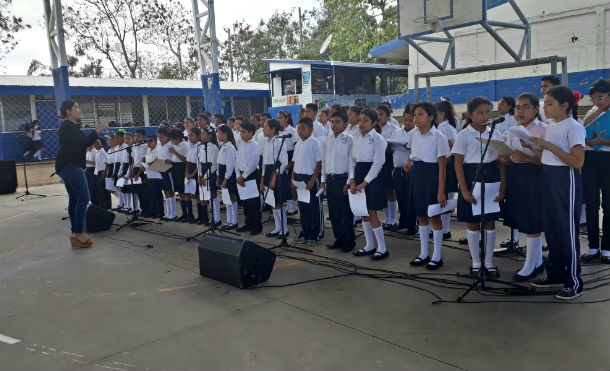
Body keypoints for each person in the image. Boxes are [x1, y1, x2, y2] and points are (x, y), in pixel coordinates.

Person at [529, 86, 586, 300]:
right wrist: (534, 146)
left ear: (565, 105)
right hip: (549, 176)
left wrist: (548, 146)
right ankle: (555, 274)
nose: (545, 107)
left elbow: (578, 161)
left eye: (549, 103)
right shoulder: (552, 126)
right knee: (552, 228)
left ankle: (574, 281)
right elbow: (549, 154)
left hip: (565, 179)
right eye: (545, 102)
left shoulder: (574, 127)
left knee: (566, 231)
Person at [452, 96, 506, 278]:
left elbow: (501, 164)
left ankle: (489, 262)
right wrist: (465, 190)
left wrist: (502, 188)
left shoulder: (496, 134)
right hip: (471, 177)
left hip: (491, 178)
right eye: (479, 113)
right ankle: (476, 262)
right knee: (473, 222)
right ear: (470, 114)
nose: (485, 116)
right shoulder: (463, 135)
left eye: (487, 112)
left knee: (489, 222)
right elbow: (458, 163)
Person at [498, 93, 547, 280]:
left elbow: (548, 160)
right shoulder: (513, 129)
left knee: (532, 219)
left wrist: (527, 157)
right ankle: (536, 262)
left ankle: (530, 265)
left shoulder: (543, 129)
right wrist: (505, 158)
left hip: (534, 177)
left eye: (526, 107)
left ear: (536, 109)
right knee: (521, 218)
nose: (521, 111)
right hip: (516, 176)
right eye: (518, 107)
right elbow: (511, 155)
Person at [55, 100, 108, 248]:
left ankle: (75, 234)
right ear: (68, 111)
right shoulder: (67, 126)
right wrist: (96, 131)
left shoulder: (71, 126)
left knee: (75, 198)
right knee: (84, 197)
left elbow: (80, 145)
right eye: (76, 107)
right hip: (70, 166)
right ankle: (78, 233)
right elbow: (82, 144)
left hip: (68, 166)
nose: (79, 110)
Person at [405, 102, 450, 270]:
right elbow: (412, 152)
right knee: (421, 216)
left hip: (432, 176)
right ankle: (424, 253)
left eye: (420, 114)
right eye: (415, 114)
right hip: (417, 175)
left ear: (431, 117)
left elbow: (442, 166)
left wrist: (440, 191)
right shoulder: (413, 134)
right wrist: (409, 162)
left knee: (434, 216)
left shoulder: (439, 137)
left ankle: (437, 256)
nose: (415, 118)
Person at [350, 108, 389, 261]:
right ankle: (369, 245)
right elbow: (352, 161)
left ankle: (382, 248)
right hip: (359, 175)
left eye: (365, 120)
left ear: (373, 123)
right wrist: (352, 180)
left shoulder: (379, 139)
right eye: (360, 120)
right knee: (363, 213)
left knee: (372, 213)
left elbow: (378, 163)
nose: (361, 123)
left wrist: (365, 182)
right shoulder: (356, 138)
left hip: (372, 179)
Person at [581, 79, 610, 264]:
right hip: (590, 159)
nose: (596, 102)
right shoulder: (592, 111)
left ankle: (607, 249)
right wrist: (597, 112)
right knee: (591, 204)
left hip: (608, 160)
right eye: (593, 99)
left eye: (600, 98)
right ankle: (592, 248)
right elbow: (582, 132)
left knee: (608, 205)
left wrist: (603, 142)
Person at [320, 110, 355, 251]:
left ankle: (348, 242)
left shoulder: (349, 139)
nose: (333, 125)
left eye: (337, 122)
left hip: (343, 179)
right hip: (330, 179)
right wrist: (323, 180)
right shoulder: (328, 139)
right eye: (332, 122)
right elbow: (324, 161)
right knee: (333, 214)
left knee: (345, 213)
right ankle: (338, 239)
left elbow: (352, 162)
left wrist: (348, 182)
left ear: (346, 123)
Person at [292, 117, 323, 245]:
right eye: (298, 128)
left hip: (309, 178)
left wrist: (312, 180)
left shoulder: (315, 143)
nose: (300, 131)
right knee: (303, 207)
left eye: (303, 128)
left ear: (311, 129)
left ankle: (314, 233)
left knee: (313, 208)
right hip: (298, 178)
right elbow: (295, 162)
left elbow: (319, 163)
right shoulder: (298, 143)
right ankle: (304, 232)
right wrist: (292, 178)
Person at [388, 105, 417, 235]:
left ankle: (412, 225)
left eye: (410, 120)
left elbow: (416, 150)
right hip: (397, 169)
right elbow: (390, 150)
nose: (407, 123)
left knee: (410, 198)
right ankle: (403, 222)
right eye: (405, 120)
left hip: (409, 169)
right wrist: (389, 144)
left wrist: (406, 146)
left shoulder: (416, 133)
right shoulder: (397, 132)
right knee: (401, 198)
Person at [260, 119, 289, 238]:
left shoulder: (279, 142)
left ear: (273, 129)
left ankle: (284, 229)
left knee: (278, 202)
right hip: (267, 172)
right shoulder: (265, 142)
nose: (263, 129)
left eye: (266, 127)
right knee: (272, 202)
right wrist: (262, 179)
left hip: (277, 173)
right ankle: (278, 227)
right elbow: (264, 163)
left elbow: (283, 162)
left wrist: (274, 177)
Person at [435, 100, 459, 239]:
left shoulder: (445, 128)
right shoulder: (445, 126)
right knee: (445, 197)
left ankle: (445, 230)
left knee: (444, 198)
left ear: (441, 113)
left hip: (447, 165)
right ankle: (444, 229)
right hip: (447, 164)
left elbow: (449, 149)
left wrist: (441, 165)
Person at [235, 122, 263, 235]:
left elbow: (253, 163)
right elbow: (236, 160)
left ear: (251, 133)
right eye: (240, 132)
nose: (241, 134)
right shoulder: (241, 144)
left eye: (243, 132)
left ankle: (257, 226)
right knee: (245, 202)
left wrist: (244, 176)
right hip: (240, 175)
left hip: (250, 175)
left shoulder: (254, 145)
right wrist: (238, 175)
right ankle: (248, 223)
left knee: (254, 202)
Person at [375, 104, 398, 230]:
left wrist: (388, 146)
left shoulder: (394, 129)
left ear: (387, 116)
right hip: (378, 161)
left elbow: (396, 146)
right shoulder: (374, 128)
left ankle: (393, 219)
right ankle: (387, 218)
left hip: (389, 160)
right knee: (383, 190)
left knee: (390, 190)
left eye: (381, 114)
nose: (378, 117)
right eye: (377, 114)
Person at [216, 125, 239, 230]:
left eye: (219, 133)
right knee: (226, 198)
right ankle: (229, 220)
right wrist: (218, 177)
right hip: (222, 173)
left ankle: (234, 221)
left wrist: (225, 179)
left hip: (228, 175)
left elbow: (230, 165)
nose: (218, 135)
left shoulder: (230, 147)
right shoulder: (222, 145)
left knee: (231, 196)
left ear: (225, 134)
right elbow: (218, 162)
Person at [277, 110, 299, 215]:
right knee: (285, 184)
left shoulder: (292, 130)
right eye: (278, 118)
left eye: (281, 118)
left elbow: (296, 148)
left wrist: (292, 162)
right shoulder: (279, 131)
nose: (279, 120)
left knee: (291, 184)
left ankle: (294, 206)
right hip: (282, 157)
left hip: (291, 156)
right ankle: (289, 205)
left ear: (286, 118)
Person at [198, 126, 221, 226]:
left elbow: (213, 165)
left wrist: (205, 176)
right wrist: (199, 175)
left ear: (210, 135)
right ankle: (209, 218)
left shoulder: (214, 147)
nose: (202, 135)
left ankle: (217, 219)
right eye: (201, 133)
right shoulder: (201, 146)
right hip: (202, 172)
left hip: (210, 172)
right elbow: (198, 162)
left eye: (204, 133)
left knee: (212, 195)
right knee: (205, 195)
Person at [156, 127, 176, 221]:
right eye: (158, 137)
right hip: (161, 168)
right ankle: (168, 212)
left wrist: (170, 161)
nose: (160, 139)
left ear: (167, 136)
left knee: (170, 190)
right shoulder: (159, 145)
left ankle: (173, 213)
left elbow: (174, 156)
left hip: (169, 169)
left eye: (162, 137)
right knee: (165, 191)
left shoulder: (171, 144)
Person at [168, 129, 189, 221]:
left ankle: (188, 214)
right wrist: (170, 161)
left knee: (184, 191)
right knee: (180, 192)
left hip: (182, 168)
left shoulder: (184, 145)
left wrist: (174, 152)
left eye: (172, 140)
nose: (172, 142)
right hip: (175, 167)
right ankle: (184, 214)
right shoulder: (175, 145)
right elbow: (175, 158)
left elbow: (184, 159)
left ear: (178, 138)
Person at [142, 136, 164, 218]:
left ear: (155, 141)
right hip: (149, 175)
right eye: (147, 142)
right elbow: (146, 160)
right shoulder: (148, 150)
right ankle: (153, 211)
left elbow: (157, 160)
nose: (148, 144)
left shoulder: (158, 149)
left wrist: (148, 164)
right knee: (151, 195)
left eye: (150, 142)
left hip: (157, 175)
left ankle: (160, 212)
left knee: (157, 195)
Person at [183, 127, 201, 223]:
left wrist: (193, 174)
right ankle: (190, 215)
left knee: (197, 194)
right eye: (189, 135)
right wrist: (186, 173)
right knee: (187, 193)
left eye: (192, 135)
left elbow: (199, 163)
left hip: (196, 171)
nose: (189, 137)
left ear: (198, 136)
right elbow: (187, 161)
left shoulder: (199, 146)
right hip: (188, 171)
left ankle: (201, 216)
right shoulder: (190, 145)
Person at [94, 138, 110, 209]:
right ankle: (102, 204)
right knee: (100, 190)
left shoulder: (102, 152)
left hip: (102, 172)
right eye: (95, 143)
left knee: (105, 190)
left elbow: (107, 163)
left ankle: (107, 205)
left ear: (102, 144)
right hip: (98, 172)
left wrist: (105, 172)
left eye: (97, 143)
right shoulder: (97, 152)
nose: (95, 145)